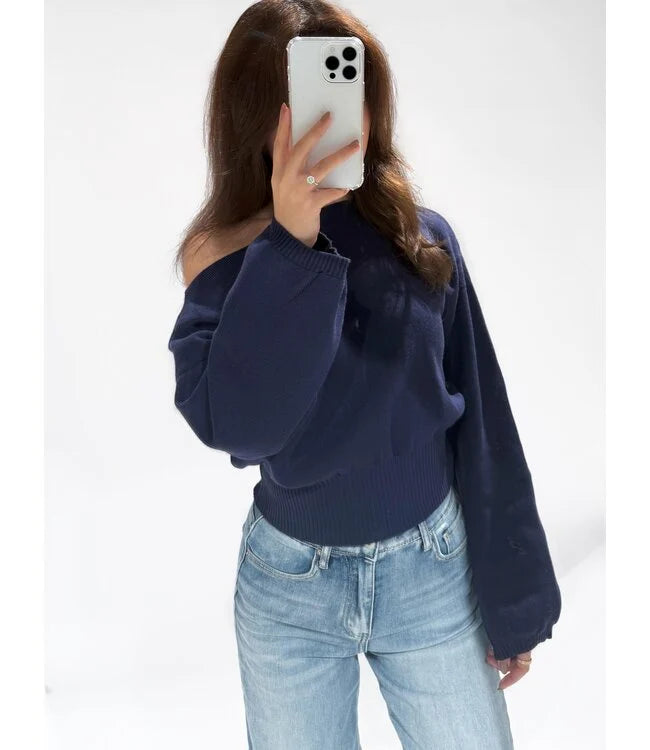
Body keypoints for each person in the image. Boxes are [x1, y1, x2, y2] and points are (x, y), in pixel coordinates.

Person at [167, 1, 562, 747]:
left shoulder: (420, 241)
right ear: (256, 117)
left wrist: (516, 594)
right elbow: (245, 429)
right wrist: (291, 246)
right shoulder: (222, 262)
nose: (334, 118)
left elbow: (484, 418)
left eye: (348, 90)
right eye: (307, 98)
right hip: (290, 591)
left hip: (433, 574)